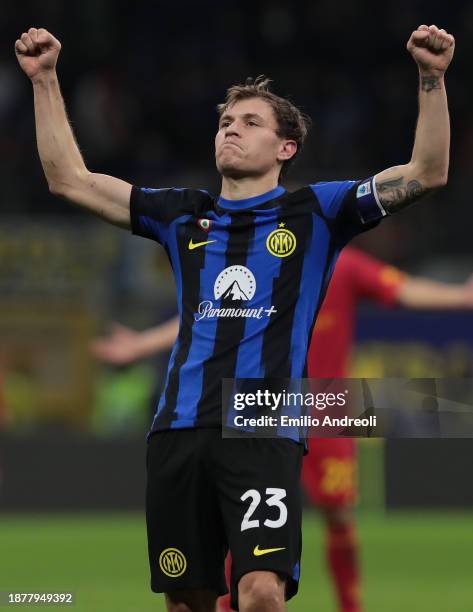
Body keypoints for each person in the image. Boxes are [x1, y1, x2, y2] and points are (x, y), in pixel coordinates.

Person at [16, 24, 454, 612]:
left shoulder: (318, 212)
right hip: (178, 429)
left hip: (263, 427)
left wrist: (432, 77)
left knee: (262, 593)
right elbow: (68, 179)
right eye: (226, 121)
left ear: (285, 148)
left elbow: (427, 172)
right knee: (187, 600)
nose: (231, 129)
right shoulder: (179, 215)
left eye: (251, 123)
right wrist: (44, 79)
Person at [92, 246, 473, 612]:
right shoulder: (261, 264)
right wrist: (142, 344)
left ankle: (351, 607)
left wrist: (460, 297)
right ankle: (228, 605)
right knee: (243, 518)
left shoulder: (345, 263)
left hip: (326, 405)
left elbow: (402, 288)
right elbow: (203, 316)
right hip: (262, 403)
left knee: (339, 515)